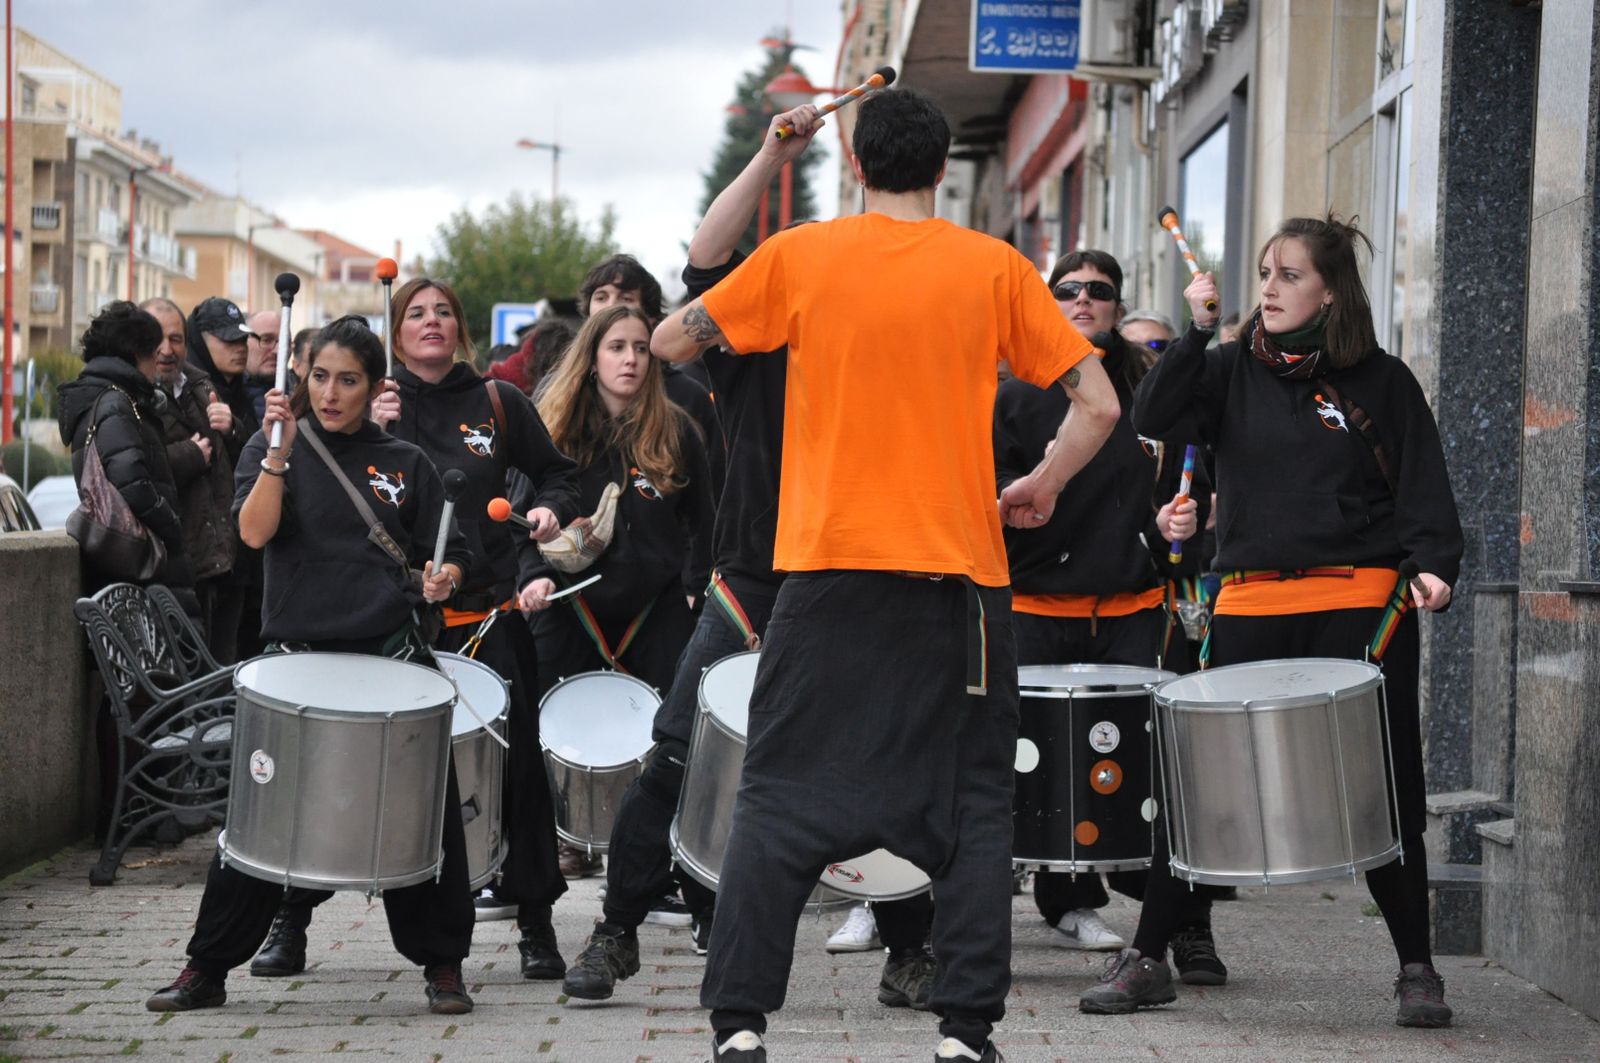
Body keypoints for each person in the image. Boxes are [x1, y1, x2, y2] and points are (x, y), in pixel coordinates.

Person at [653, 90, 1119, 1063]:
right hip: (959, 584)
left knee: (775, 795)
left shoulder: (801, 258)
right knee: (973, 805)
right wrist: (1041, 482)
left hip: (826, 575)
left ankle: (739, 1025)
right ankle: (963, 1032)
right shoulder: (994, 268)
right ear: (942, 167)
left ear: (858, 166)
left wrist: (769, 180)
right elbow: (1101, 404)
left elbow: (670, 339)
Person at [559, 106, 939, 1014]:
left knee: (876, 763)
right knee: (675, 751)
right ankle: (616, 928)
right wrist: (774, 154)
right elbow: (705, 256)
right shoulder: (748, 344)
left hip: (859, 575)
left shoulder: (880, 340)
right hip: (756, 578)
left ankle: (909, 947)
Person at [1085, 215, 1463, 1029]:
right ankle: (1148, 957)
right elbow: (1153, 412)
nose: (1269, 287)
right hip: (1249, 600)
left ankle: (1418, 969)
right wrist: (1195, 332)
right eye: (1264, 273)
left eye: (1290, 275)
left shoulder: (1383, 379)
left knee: (1385, 782)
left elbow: (1423, 482)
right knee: (1200, 783)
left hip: (1361, 605)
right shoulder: (1226, 369)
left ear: (1331, 291)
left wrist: (1435, 562)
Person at [239, 277, 581, 982]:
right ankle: (291, 916)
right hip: (390, 627)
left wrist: (548, 511)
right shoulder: (369, 407)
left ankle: (535, 921)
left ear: (461, 326)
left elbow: (559, 476)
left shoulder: (498, 401)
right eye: (416, 312)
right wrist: (370, 422)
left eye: (444, 311)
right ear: (392, 336)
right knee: (336, 765)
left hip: (482, 614)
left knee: (515, 771)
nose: (432, 321)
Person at [143, 315, 478, 1017]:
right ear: (301, 376)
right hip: (297, 663)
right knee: (258, 819)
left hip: (388, 660)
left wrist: (444, 575)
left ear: (375, 387)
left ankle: (443, 963)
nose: (330, 393)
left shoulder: (406, 462)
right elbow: (253, 533)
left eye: (348, 380)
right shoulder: (273, 448)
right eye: (319, 376)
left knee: (424, 813)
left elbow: (451, 553)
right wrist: (276, 454)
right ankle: (207, 965)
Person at [994, 250, 1224, 983]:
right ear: (1048, 303)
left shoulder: (1146, 391)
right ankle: (1050, 902)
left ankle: (1187, 927)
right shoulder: (1013, 394)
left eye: (1100, 290)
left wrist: (1178, 523)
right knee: (1028, 774)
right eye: (1068, 290)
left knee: (1152, 779)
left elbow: (1189, 489)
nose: (1084, 299)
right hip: (1034, 608)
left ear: (1118, 307)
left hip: (1131, 609)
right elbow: (987, 496)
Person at [515, 305, 713, 711]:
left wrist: (696, 590)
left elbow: (704, 523)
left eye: (641, 349)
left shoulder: (677, 431)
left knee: (668, 728)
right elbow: (519, 521)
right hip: (568, 604)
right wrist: (533, 577)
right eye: (617, 347)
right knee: (548, 724)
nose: (631, 359)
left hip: (656, 612)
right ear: (592, 359)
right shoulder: (551, 429)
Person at [58, 301, 196, 607]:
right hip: (142, 567)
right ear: (136, 353)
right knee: (166, 636)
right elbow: (131, 483)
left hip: (130, 565)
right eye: (153, 351)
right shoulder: (115, 403)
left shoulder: (105, 398)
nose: (159, 359)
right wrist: (171, 525)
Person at [143, 297, 243, 661]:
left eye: (176, 339)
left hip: (222, 563)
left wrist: (233, 428)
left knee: (221, 678)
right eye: (156, 339)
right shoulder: (127, 397)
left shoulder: (200, 386)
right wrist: (188, 455)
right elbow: (130, 467)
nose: (166, 349)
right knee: (183, 678)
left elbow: (242, 461)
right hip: (172, 572)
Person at [185, 297, 267, 660]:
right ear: (200, 340)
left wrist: (235, 429)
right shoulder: (186, 390)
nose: (240, 348)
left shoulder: (240, 393)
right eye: (228, 339)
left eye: (243, 339)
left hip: (238, 557)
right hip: (201, 563)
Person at [245, 309, 282, 421]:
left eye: (284, 342)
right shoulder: (221, 394)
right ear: (244, 341)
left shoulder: (300, 394)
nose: (277, 351)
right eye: (266, 340)